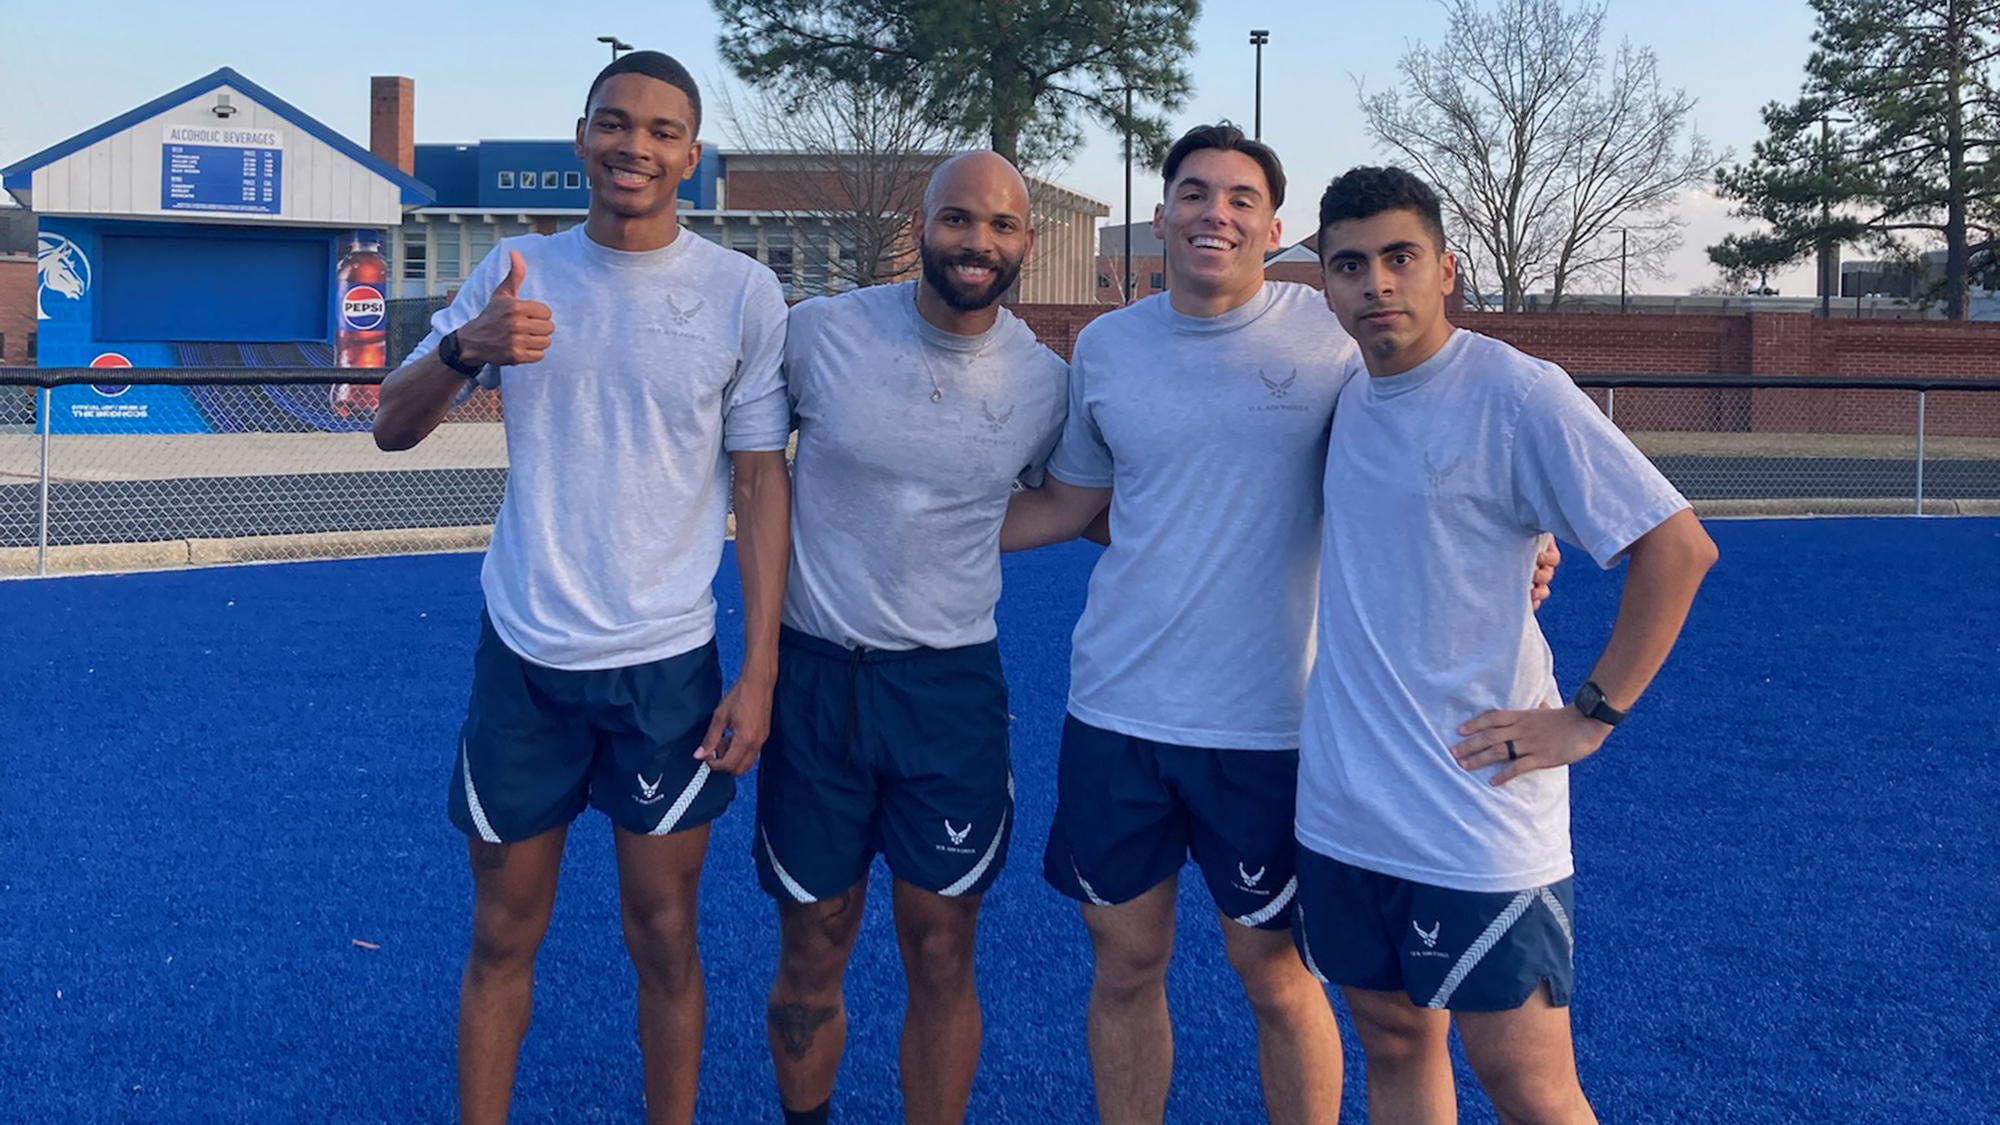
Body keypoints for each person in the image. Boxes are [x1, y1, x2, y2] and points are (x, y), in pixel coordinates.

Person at [370, 52, 790, 1125]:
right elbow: (390, 425)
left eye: (659, 131)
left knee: (662, 936)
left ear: (691, 156)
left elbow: (757, 481)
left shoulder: (740, 292)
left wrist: (759, 670)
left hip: (664, 671)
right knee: (502, 935)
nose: (633, 146)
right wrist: (469, 347)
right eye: (614, 123)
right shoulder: (513, 269)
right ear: (580, 137)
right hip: (526, 659)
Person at [1294, 165, 1717, 1125]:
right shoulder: (1343, 397)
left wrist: (1590, 716)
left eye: (1401, 258)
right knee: (1396, 1044)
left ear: (1448, 268)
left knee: (1527, 1082)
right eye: (1350, 265)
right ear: (1326, 282)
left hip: (1476, 809)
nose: (1377, 285)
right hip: (1346, 804)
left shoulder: (1518, 393)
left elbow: (1677, 548)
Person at [756, 151, 1069, 1125]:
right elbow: (736, 459)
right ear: (920, 225)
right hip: (815, 680)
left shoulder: (1044, 384)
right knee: (814, 939)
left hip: (947, 694)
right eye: (958, 220)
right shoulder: (818, 334)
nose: (977, 242)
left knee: (940, 948)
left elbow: (1093, 501)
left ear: (1026, 241)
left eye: (1001, 225)